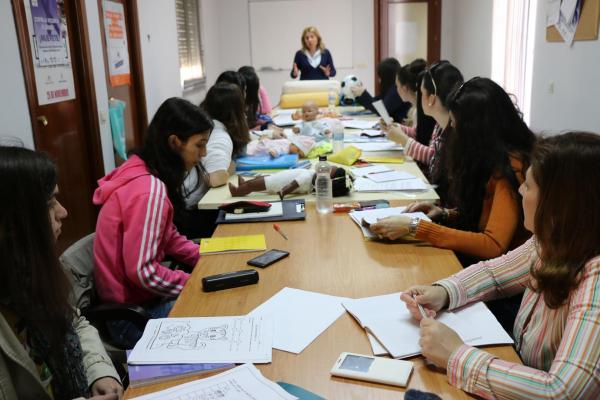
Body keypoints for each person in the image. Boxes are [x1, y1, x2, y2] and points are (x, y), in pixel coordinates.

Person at [400, 132, 600, 399]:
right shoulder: (553, 239)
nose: (520, 191)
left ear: (558, 204)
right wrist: (443, 292)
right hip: (517, 366)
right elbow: (495, 274)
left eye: (528, 186)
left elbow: (561, 392)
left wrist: (456, 355)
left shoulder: (595, 276)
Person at [0, 146, 123, 400]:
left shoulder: (28, 272)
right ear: (10, 223)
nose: (63, 212)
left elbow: (73, 321)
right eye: (49, 203)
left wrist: (99, 372)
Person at [371, 77, 535, 263]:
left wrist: (417, 227)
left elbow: (493, 244)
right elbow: (482, 216)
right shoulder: (488, 158)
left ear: (479, 130)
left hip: (503, 273)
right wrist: (444, 214)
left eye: (458, 124)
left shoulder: (511, 168)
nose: (453, 129)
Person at [93, 98, 213, 348]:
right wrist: (193, 283)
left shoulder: (139, 168)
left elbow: (167, 235)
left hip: (133, 305)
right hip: (132, 318)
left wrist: (206, 258)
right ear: (174, 142)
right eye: (199, 145)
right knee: (222, 313)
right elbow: (143, 272)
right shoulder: (149, 191)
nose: (203, 154)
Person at [383, 61, 463, 188]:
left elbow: (433, 159)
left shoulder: (454, 132)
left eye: (421, 93)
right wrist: (397, 129)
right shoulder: (439, 125)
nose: (419, 98)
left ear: (431, 99)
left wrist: (405, 141)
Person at [228, 167, 349, 200]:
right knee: (257, 181)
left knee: (254, 185)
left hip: (277, 182)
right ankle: (244, 184)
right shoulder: (312, 179)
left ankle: (237, 191)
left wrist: (284, 191)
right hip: (278, 178)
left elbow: (293, 184)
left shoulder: (307, 177)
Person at [350, 58, 411, 124]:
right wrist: (359, 96)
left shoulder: (397, 89)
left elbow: (383, 110)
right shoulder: (391, 87)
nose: (379, 81)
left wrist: (364, 94)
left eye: (381, 77)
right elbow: (377, 101)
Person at [395, 58, 436, 146]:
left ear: (405, 88)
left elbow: (427, 147)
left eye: (397, 86)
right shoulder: (416, 110)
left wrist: (404, 140)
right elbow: (416, 133)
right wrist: (394, 127)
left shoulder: (424, 111)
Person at [246, 135, 315, 158]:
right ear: (294, 144)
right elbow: (278, 148)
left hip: (260, 145)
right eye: (297, 150)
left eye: (300, 155)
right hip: (259, 148)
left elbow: (277, 147)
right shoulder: (286, 148)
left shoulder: (288, 144)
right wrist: (274, 152)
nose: (296, 154)